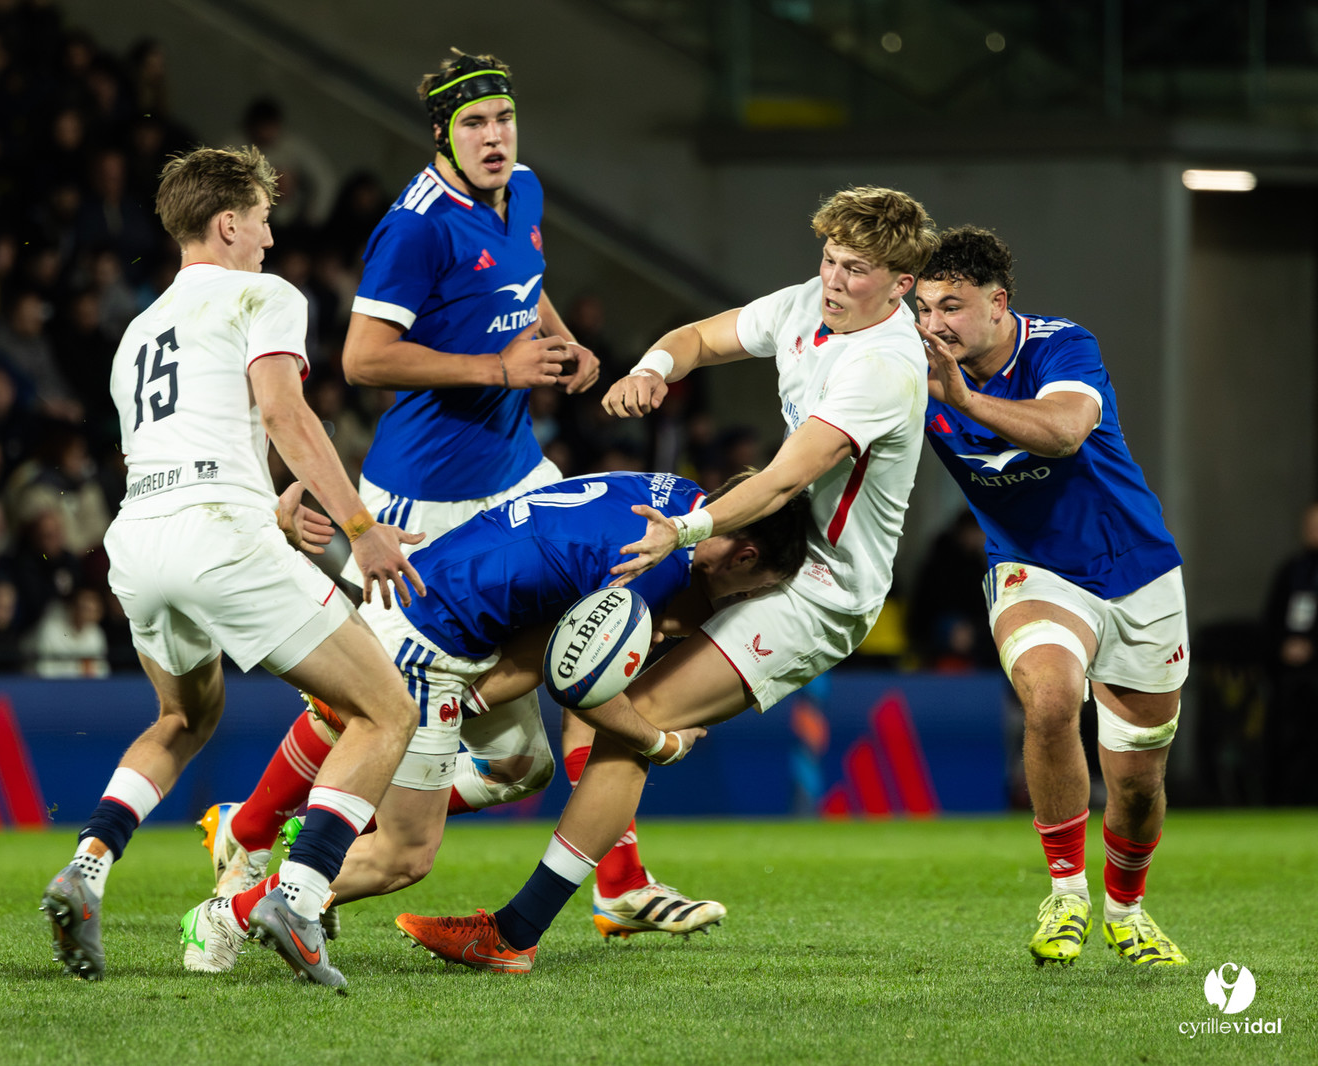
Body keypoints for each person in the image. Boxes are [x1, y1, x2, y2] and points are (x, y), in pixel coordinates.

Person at [205, 50, 708, 936]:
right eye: (474, 124)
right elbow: (361, 358)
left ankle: (617, 880)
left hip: (518, 475)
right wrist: (499, 366)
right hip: (423, 501)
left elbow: (523, 284)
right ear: (441, 135)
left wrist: (559, 342)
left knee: (600, 638)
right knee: (368, 705)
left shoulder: (527, 191)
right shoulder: (415, 226)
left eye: (504, 119)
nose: (494, 137)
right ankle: (256, 831)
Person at [394, 185, 937, 972]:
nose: (833, 281)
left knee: (626, 712)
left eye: (856, 270)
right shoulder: (808, 307)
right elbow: (694, 338)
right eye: (828, 260)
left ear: (902, 285)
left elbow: (785, 481)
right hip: (753, 553)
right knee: (589, 675)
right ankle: (609, 879)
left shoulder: (885, 363)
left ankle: (513, 931)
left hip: (813, 589)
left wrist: (684, 533)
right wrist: (653, 367)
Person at [38, 145, 424, 990]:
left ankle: (89, 867)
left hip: (140, 536)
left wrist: (272, 503)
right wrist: (360, 527)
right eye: (260, 220)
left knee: (182, 718)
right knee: (386, 708)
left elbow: (187, 444)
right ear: (227, 223)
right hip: (217, 535)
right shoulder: (265, 295)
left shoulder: (137, 332)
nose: (271, 237)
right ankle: (302, 889)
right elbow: (283, 410)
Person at [179, 470, 811, 973]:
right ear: (744, 555)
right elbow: (581, 687)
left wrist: (479, 698)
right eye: (753, 590)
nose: (742, 603)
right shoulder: (656, 564)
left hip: (446, 612)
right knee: (406, 857)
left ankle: (324, 830)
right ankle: (229, 915)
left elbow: (550, 623)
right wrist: (661, 741)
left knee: (521, 765)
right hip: (427, 646)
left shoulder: (669, 495)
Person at [910, 226, 1189, 967]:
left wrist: (962, 398)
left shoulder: (1061, 345)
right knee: (1051, 698)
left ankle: (1127, 910)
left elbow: (1065, 431)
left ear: (998, 304)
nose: (933, 325)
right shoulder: (911, 364)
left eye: (952, 306)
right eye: (923, 306)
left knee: (1136, 781)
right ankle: (1067, 895)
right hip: (1032, 568)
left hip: (1138, 571)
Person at [1262, 502, 1318, 806]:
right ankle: (1282, 799)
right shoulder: (1292, 571)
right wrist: (1283, 646)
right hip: (1290, 677)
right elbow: (1271, 620)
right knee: (1285, 738)